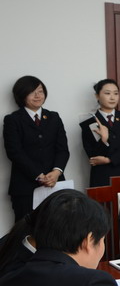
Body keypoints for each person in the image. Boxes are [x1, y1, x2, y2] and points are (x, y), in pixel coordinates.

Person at [3, 75, 70, 222]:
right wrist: (39, 176)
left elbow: (63, 150)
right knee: (27, 228)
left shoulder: (54, 117)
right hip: (25, 187)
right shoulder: (13, 120)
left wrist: (56, 172)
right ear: (21, 95)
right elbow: (14, 152)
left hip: (55, 183)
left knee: (58, 227)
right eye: (32, 92)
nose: (38, 95)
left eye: (40, 91)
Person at [80, 78, 120, 187]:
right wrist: (103, 140)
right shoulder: (89, 122)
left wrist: (110, 159)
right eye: (107, 93)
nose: (112, 97)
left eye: (116, 93)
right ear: (97, 96)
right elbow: (92, 155)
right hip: (102, 175)